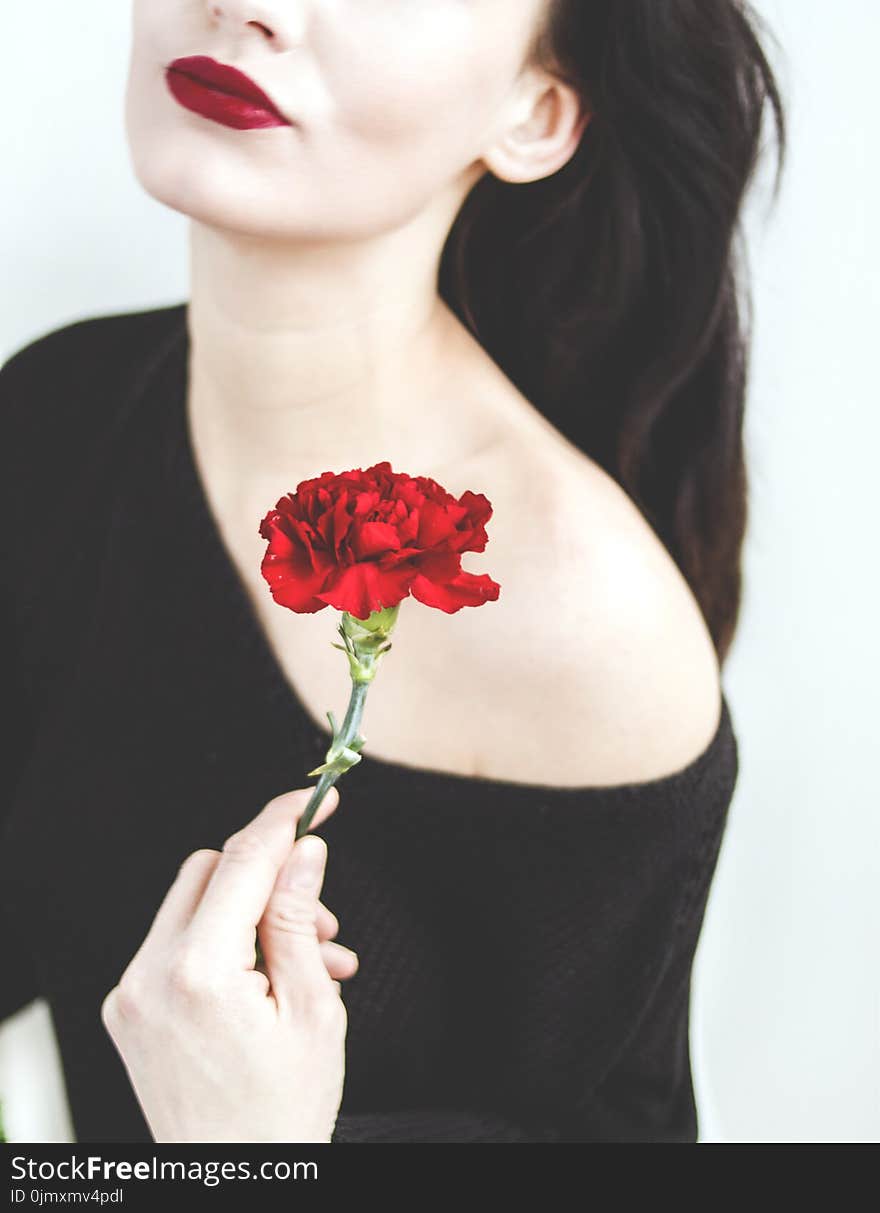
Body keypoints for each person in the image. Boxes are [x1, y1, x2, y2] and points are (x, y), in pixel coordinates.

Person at [0, 0, 785, 1142]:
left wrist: (247, 1160)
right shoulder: (58, 412)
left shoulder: (584, 625)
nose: (246, 6)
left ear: (535, 114)